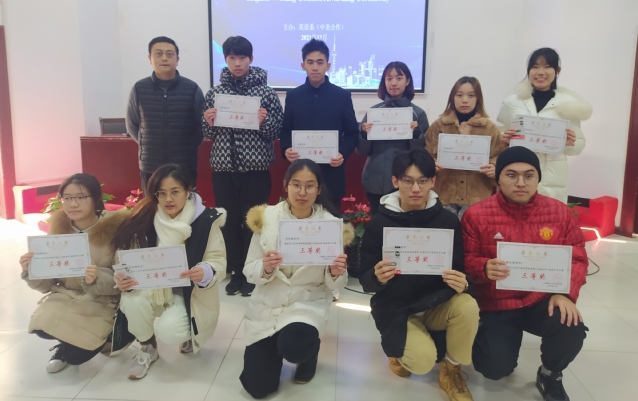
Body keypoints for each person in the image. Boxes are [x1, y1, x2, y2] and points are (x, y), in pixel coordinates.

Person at [462, 146, 588, 401]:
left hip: (540, 298)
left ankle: (550, 374)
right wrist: (483, 268)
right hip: (496, 302)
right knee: (494, 370)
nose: (521, 182)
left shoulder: (559, 213)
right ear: (498, 178)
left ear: (538, 178)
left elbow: (577, 258)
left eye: (529, 175)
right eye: (511, 175)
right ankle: (490, 338)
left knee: (570, 325)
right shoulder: (476, 214)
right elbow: (464, 259)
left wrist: (565, 294)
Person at [359, 149, 479, 401]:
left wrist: (463, 282)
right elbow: (365, 279)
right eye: (408, 180)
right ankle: (403, 348)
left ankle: (451, 369)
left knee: (467, 305)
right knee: (421, 362)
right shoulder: (379, 224)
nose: (415, 188)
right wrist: (376, 276)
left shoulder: (447, 222)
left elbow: (459, 268)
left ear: (433, 182)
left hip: (435, 303)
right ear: (395, 181)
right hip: (397, 307)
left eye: (423, 181)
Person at [239, 159, 352, 399]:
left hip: (306, 302)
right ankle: (275, 345)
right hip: (269, 302)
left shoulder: (330, 226)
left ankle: (307, 354)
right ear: (285, 186)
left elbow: (336, 284)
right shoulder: (266, 217)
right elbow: (249, 269)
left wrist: (335, 272)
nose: (302, 192)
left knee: (296, 345)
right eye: (296, 185)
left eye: (310, 186)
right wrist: (265, 268)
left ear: (318, 189)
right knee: (258, 388)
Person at [112, 164, 226, 380]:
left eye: (175, 191)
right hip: (152, 286)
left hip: (188, 293)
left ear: (188, 191)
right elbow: (124, 258)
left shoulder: (205, 220)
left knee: (170, 331)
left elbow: (217, 259)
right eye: (161, 193)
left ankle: (187, 332)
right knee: (132, 302)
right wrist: (122, 277)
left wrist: (205, 271)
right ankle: (148, 347)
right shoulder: (144, 217)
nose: (168, 199)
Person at [19, 174, 129, 373]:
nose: (73, 204)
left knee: (76, 357)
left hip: (101, 301)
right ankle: (66, 345)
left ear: (95, 199)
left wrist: (97, 277)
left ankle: (112, 334)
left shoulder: (116, 230)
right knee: (42, 328)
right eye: (67, 198)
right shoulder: (58, 231)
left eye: (80, 197)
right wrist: (31, 270)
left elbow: (125, 277)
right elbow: (46, 285)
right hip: (66, 295)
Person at [202, 36, 283, 297]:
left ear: (251, 59)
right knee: (228, 222)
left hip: (256, 171)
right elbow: (207, 134)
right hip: (224, 170)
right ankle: (236, 270)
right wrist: (209, 122)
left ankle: (251, 270)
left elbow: (276, 131)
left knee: (253, 222)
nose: (237, 63)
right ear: (226, 59)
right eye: (232, 58)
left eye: (242, 58)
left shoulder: (266, 93)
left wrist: (263, 121)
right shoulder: (215, 94)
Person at [497, 47, 592, 203]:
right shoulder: (512, 102)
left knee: (549, 217)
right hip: (518, 178)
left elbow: (578, 146)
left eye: (547, 66)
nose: (540, 72)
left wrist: (569, 143)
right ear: (528, 71)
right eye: (535, 67)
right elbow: (498, 136)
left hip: (552, 182)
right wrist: (505, 139)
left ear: (557, 70)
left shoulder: (569, 105)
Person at [280, 38, 359, 209]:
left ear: (328, 66)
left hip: (331, 174)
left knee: (330, 222)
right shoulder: (293, 96)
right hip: (300, 174)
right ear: (303, 65)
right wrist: (286, 149)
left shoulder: (342, 96)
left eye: (320, 62)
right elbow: (285, 131)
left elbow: (353, 133)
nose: (315, 67)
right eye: (310, 62)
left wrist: (342, 154)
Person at [126, 36, 205, 195]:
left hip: (184, 164)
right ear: (150, 58)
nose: (164, 58)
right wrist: (147, 144)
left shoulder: (192, 89)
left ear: (177, 59)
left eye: (169, 54)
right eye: (158, 54)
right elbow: (132, 125)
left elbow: (201, 126)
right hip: (150, 164)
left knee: (185, 207)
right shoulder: (139, 89)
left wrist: (188, 146)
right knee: (152, 206)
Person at [425, 76, 507, 218]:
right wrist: (430, 164)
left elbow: (499, 158)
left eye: (471, 95)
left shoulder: (489, 128)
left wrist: (495, 168)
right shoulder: (438, 126)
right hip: (444, 196)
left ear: (478, 98)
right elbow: (425, 156)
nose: (465, 100)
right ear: (452, 98)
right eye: (459, 95)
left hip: (477, 198)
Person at [358, 61, 429, 215]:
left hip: (406, 182)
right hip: (375, 181)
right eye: (389, 78)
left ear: (407, 81)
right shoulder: (374, 113)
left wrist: (416, 134)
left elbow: (422, 154)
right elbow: (362, 151)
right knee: (377, 223)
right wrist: (364, 134)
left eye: (399, 78)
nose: (393, 83)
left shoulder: (418, 114)